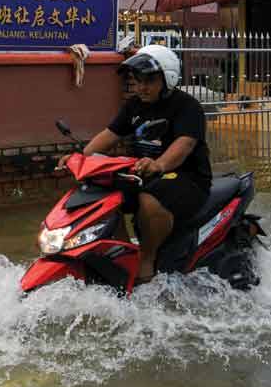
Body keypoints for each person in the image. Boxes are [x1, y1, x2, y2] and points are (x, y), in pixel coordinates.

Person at [56, 44, 212, 283]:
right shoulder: (134, 106)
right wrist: (79, 157)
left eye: (148, 81)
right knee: (105, 197)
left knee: (148, 199)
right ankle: (120, 255)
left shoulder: (187, 106)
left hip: (186, 177)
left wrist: (159, 165)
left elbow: (184, 145)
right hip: (145, 174)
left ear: (167, 78)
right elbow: (109, 135)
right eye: (137, 81)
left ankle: (146, 259)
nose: (141, 87)